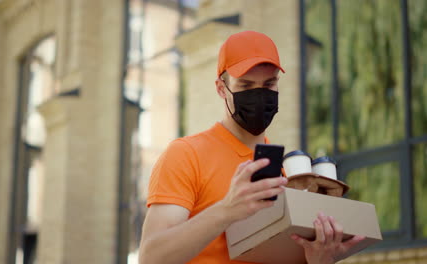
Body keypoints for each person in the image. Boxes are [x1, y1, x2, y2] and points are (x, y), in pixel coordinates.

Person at [139, 31, 364, 264]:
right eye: (245, 85)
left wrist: (319, 260)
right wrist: (226, 210)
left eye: (269, 84)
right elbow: (150, 258)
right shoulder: (186, 154)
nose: (259, 95)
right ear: (220, 88)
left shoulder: (288, 175)